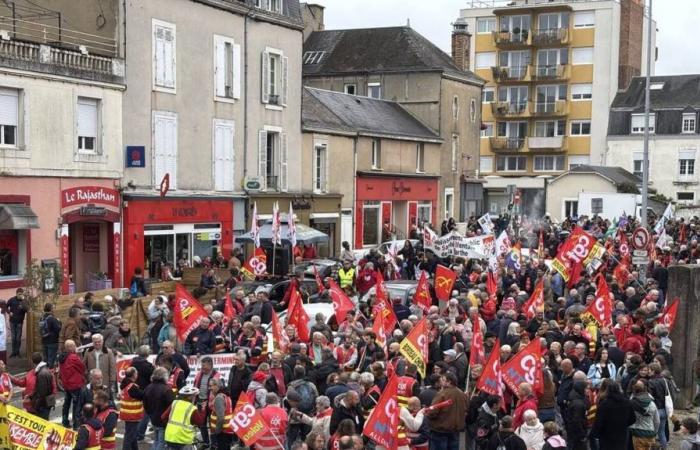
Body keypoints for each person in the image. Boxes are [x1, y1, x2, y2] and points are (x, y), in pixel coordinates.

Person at [426, 372, 467, 450]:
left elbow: (432, 411)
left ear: (449, 382)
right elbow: (466, 409)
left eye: (443, 380)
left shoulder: (442, 394)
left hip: (440, 431)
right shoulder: (463, 395)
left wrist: (427, 414)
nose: (441, 381)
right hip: (455, 431)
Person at [591, 380, 635, 450]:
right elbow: (633, 419)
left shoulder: (604, 405)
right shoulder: (627, 403)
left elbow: (598, 422)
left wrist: (596, 434)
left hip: (606, 437)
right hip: (622, 435)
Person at [11, 352, 55, 420]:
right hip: (34, 404)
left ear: (32, 362)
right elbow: (53, 389)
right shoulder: (44, 372)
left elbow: (43, 392)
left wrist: (36, 404)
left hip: (38, 405)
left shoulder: (40, 373)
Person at [163, 386, 206, 450]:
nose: (195, 398)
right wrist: (203, 409)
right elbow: (200, 422)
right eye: (194, 396)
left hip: (169, 437)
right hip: (183, 439)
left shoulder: (175, 403)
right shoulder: (192, 408)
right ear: (190, 397)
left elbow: (163, 417)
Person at [144, 367, 175, 450]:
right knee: (161, 442)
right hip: (163, 420)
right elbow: (172, 405)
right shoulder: (167, 389)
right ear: (164, 376)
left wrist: (150, 414)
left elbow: (145, 405)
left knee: (156, 440)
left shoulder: (148, 387)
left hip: (153, 418)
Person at [59, 339, 87, 429]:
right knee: (77, 405)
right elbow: (82, 367)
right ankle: (76, 424)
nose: (75, 347)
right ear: (70, 347)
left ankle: (65, 421)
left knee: (66, 404)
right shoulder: (73, 357)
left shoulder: (62, 357)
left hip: (66, 384)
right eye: (74, 345)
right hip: (75, 384)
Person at [629, 380, 660, 450]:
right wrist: (655, 432)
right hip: (650, 433)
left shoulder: (632, 404)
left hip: (637, 434)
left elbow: (629, 419)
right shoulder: (652, 404)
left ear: (634, 390)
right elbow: (657, 421)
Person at [119, 366, 144, 450]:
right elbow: (142, 395)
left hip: (127, 414)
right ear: (133, 375)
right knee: (129, 436)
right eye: (136, 373)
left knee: (131, 434)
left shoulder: (124, 384)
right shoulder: (132, 387)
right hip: (132, 415)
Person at [208, 378, 234, 450]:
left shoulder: (219, 398)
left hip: (222, 432)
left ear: (217, 386)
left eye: (211, 386)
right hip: (227, 430)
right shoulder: (225, 395)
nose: (209, 388)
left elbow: (220, 418)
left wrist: (217, 431)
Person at [7, 287, 27, 357]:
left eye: (21, 294)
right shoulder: (12, 300)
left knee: (18, 338)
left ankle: (17, 352)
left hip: (19, 322)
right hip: (12, 321)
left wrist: (23, 301)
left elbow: (27, 309)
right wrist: (9, 312)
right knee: (13, 337)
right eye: (19, 294)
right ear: (16, 294)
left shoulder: (24, 301)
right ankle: (13, 352)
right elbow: (5, 306)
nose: (20, 295)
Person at [40, 302, 61, 367]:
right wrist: (59, 322)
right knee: (51, 360)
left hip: (44, 340)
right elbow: (58, 329)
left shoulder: (42, 318)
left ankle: (44, 372)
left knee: (45, 359)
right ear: (51, 309)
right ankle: (49, 374)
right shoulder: (52, 319)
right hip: (52, 341)